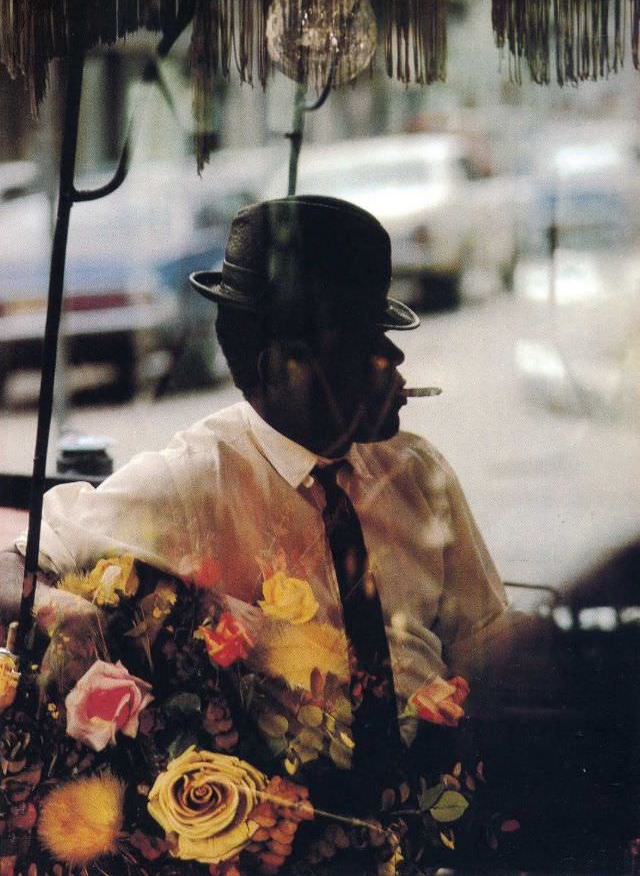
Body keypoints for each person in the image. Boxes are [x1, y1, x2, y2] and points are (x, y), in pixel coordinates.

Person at [0, 195, 510, 821]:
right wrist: (64, 611)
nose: (395, 360)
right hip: (307, 826)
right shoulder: (190, 483)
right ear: (281, 368)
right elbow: (13, 563)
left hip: (440, 805)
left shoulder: (416, 472)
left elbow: (492, 661)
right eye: (362, 342)